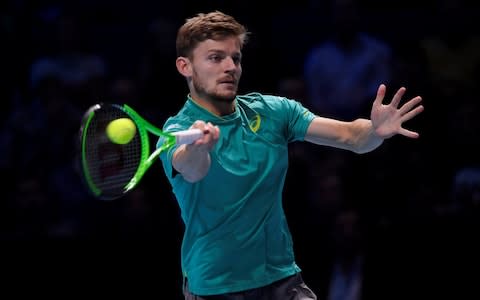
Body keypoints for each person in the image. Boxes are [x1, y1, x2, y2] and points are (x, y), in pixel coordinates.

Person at [158, 11, 424, 300]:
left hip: (281, 279)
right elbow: (192, 169)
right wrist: (200, 146)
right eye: (215, 58)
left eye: (235, 58)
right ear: (185, 66)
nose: (230, 67)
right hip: (215, 288)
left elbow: (352, 137)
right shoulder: (177, 130)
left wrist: (375, 131)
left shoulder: (272, 111)